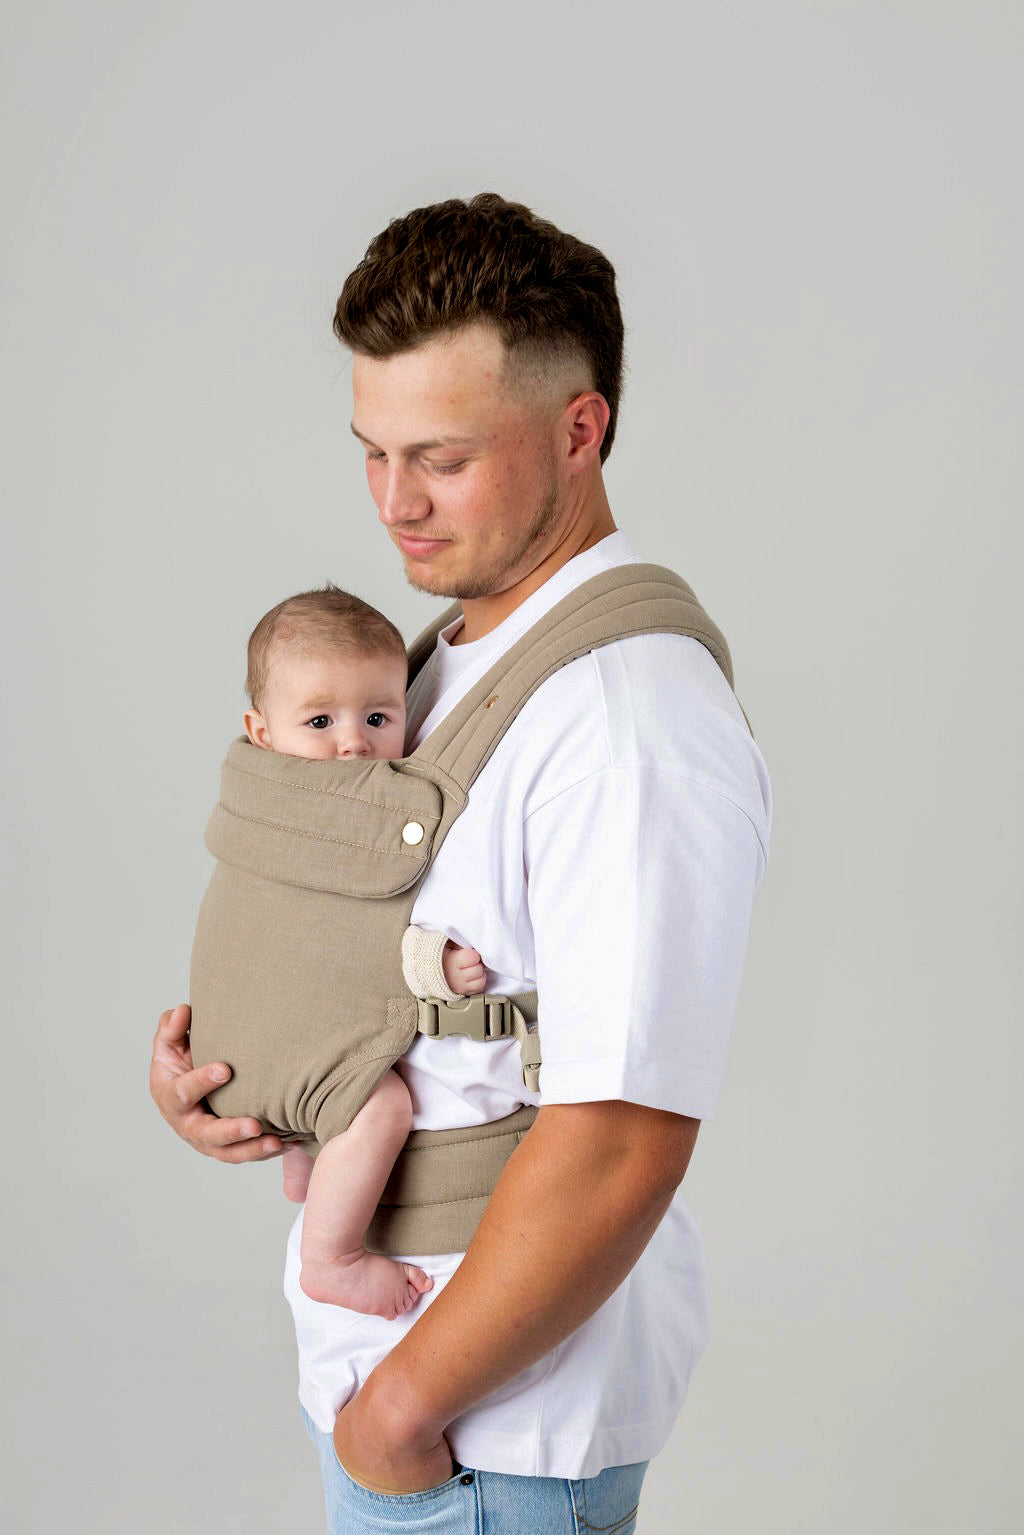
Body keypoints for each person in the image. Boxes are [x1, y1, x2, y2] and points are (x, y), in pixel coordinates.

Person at [150, 192, 772, 1532]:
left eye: (439, 455)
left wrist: (400, 1413)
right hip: (408, 1393)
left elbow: (622, 1136)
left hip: (490, 1430)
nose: (394, 504)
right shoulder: (430, 665)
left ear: (579, 428)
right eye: (372, 451)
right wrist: (244, 1069)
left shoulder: (628, 716)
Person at [193, 582, 496, 1320]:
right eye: (320, 719)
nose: (354, 742)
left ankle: (305, 1164)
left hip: (223, 1047)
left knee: (320, 1041)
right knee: (381, 1103)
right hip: (266, 1054)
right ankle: (331, 1254)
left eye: (379, 715)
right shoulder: (354, 810)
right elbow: (365, 922)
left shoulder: (253, 796)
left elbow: (310, 940)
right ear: (259, 731)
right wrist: (436, 968)